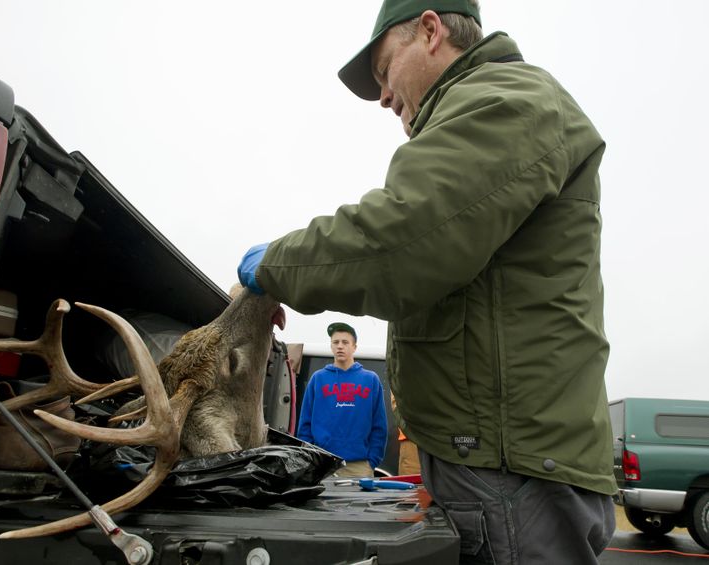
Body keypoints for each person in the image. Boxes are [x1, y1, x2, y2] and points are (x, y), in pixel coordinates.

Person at [237, 0, 617, 562]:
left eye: (386, 70)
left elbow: (402, 242)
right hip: (497, 467)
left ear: (432, 31)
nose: (385, 96)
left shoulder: (504, 101)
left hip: (510, 478)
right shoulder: (490, 106)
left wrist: (277, 264)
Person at [297, 322, 387, 478]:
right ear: (331, 346)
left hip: (359, 466)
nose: (340, 346)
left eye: (345, 342)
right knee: (320, 503)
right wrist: (310, 458)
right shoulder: (318, 379)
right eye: (335, 342)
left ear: (354, 347)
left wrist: (372, 461)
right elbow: (305, 425)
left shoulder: (370, 379)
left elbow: (379, 426)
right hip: (322, 465)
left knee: (358, 503)